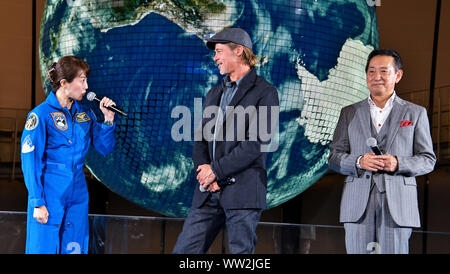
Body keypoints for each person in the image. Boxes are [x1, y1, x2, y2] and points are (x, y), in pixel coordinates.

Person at [173, 28, 279, 254]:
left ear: (238, 51)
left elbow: (256, 143)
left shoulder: (265, 92)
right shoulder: (214, 93)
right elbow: (201, 139)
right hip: (207, 192)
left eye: (220, 51)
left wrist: (216, 171)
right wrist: (205, 173)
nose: (215, 58)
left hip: (243, 193)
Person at [328, 49, 436, 254]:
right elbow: (334, 158)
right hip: (357, 202)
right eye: (371, 71)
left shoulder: (415, 113)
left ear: (398, 75)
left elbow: (428, 160)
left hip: (399, 205)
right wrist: (359, 161)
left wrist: (398, 163)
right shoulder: (349, 113)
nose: (376, 76)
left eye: (384, 71)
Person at [21, 56, 117, 254]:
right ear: (64, 83)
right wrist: (37, 201)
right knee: (43, 246)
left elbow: (104, 148)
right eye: (82, 80)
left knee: (74, 246)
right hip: (50, 190)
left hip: (78, 189)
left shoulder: (85, 113)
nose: (86, 86)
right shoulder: (40, 115)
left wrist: (108, 120)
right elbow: (30, 162)